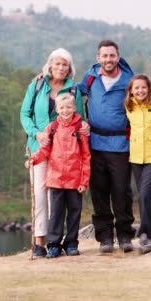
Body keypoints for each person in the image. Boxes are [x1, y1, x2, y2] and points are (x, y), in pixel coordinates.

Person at [20, 48, 85, 258]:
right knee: (40, 194)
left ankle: (55, 242)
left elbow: (80, 120)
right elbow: (24, 114)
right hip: (39, 145)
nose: (60, 68)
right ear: (50, 65)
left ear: (69, 69)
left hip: (65, 152)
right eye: (57, 63)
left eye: (65, 64)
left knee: (56, 197)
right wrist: (36, 133)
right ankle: (40, 241)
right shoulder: (37, 85)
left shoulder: (74, 90)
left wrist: (85, 128)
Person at [78, 40, 136, 253]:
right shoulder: (91, 78)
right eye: (104, 56)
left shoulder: (130, 80)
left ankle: (124, 235)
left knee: (122, 191)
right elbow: (73, 92)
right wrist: (48, 79)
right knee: (99, 191)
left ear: (118, 57)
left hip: (121, 143)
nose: (108, 59)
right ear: (98, 58)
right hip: (95, 143)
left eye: (112, 56)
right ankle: (105, 238)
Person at [25, 93, 91, 258]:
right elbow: (44, 150)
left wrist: (84, 180)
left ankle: (71, 244)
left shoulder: (80, 129)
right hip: (55, 179)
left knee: (74, 212)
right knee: (56, 213)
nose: (66, 110)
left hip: (75, 180)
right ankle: (54, 244)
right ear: (57, 109)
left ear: (75, 108)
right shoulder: (52, 128)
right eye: (62, 107)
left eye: (69, 107)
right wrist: (33, 160)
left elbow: (86, 156)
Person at [124, 74, 151, 254]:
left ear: (149, 88)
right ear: (131, 91)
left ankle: (145, 234)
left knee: (144, 194)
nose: (140, 90)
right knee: (147, 196)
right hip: (135, 156)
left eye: (143, 87)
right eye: (136, 88)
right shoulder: (128, 106)